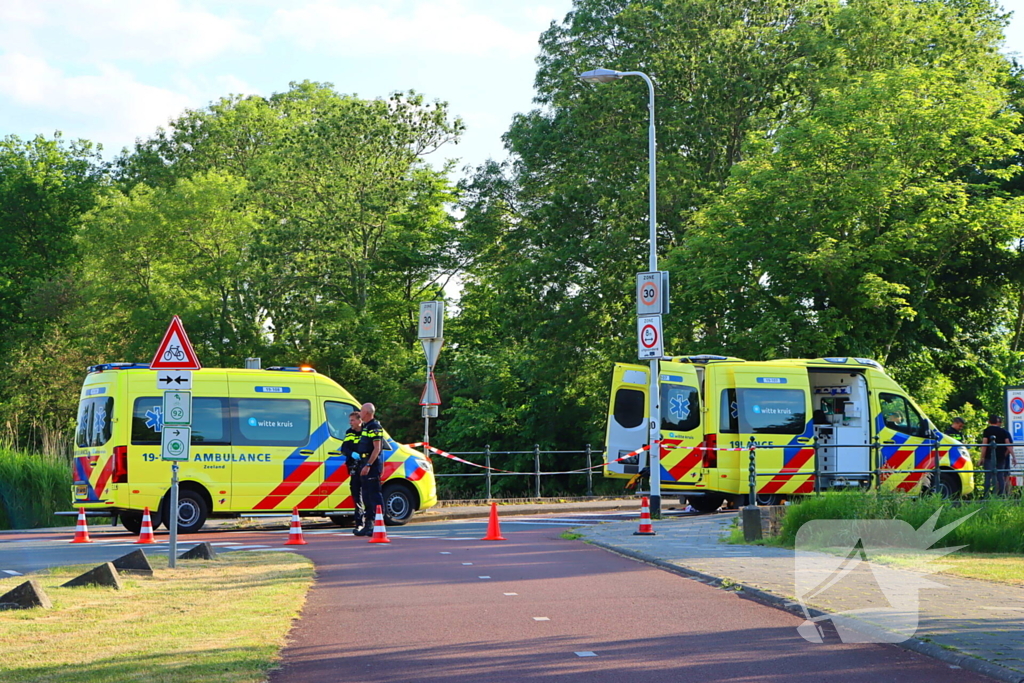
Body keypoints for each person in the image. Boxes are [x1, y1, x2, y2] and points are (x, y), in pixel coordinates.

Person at [355, 402, 386, 536]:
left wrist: (368, 465)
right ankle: (369, 525)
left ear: (367, 413)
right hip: (364, 462)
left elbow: (377, 448)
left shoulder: (374, 426)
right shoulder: (366, 427)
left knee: (374, 495)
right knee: (367, 495)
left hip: (372, 465)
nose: (359, 413)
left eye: (361, 411)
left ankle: (378, 524)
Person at [340, 411, 364, 535]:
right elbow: (344, 448)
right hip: (354, 466)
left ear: (360, 420)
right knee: (356, 495)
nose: (350, 423)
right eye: (350, 421)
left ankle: (371, 521)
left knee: (368, 495)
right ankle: (359, 523)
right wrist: (352, 454)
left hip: (366, 467)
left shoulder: (367, 431)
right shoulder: (350, 432)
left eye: (352, 420)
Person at [981, 414, 1013, 496]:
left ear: (989, 422)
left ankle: (986, 495)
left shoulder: (987, 431)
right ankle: (1001, 494)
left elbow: (984, 445)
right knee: (1000, 476)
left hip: (989, 457)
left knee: (988, 476)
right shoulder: (1003, 431)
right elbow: (1008, 444)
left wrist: (982, 457)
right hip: (1001, 457)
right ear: (998, 422)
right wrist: (1013, 456)